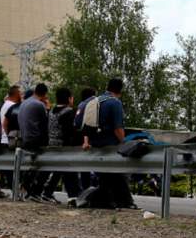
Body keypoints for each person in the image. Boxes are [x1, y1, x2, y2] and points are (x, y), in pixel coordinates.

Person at [81, 79, 135, 209]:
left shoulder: (95, 101)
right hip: (110, 144)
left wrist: (86, 141)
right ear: (120, 91)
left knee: (107, 176)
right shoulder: (114, 102)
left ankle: (113, 201)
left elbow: (86, 125)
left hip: (95, 144)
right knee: (117, 174)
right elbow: (118, 128)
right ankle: (123, 201)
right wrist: (125, 142)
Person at [42, 87, 81, 205]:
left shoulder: (52, 111)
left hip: (51, 143)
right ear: (69, 98)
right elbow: (70, 131)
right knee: (69, 170)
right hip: (63, 146)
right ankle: (73, 196)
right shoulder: (69, 112)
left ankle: (47, 192)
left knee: (58, 170)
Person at [18, 83, 50, 201]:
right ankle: (29, 191)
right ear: (45, 94)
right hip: (35, 139)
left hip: (25, 137)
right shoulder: (39, 105)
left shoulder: (24, 103)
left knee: (29, 167)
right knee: (37, 167)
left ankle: (24, 191)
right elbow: (44, 125)